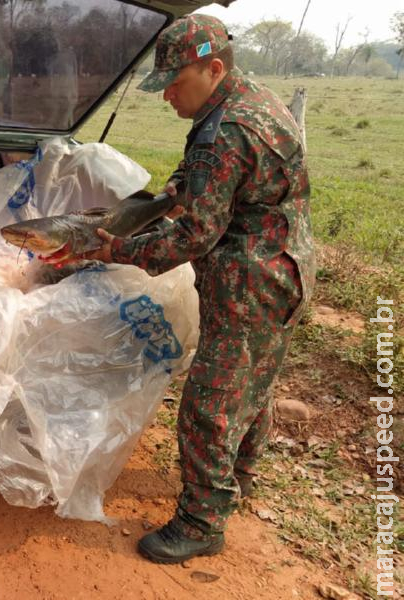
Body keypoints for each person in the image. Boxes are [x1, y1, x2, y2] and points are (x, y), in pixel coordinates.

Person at [83, 14, 315, 563]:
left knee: (210, 402)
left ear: (213, 68)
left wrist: (116, 251)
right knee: (252, 385)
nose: (165, 94)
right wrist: (183, 184)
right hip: (289, 271)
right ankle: (239, 478)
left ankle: (202, 522)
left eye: (173, 81)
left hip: (251, 284)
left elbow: (192, 236)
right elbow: (220, 179)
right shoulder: (250, 100)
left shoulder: (225, 130)